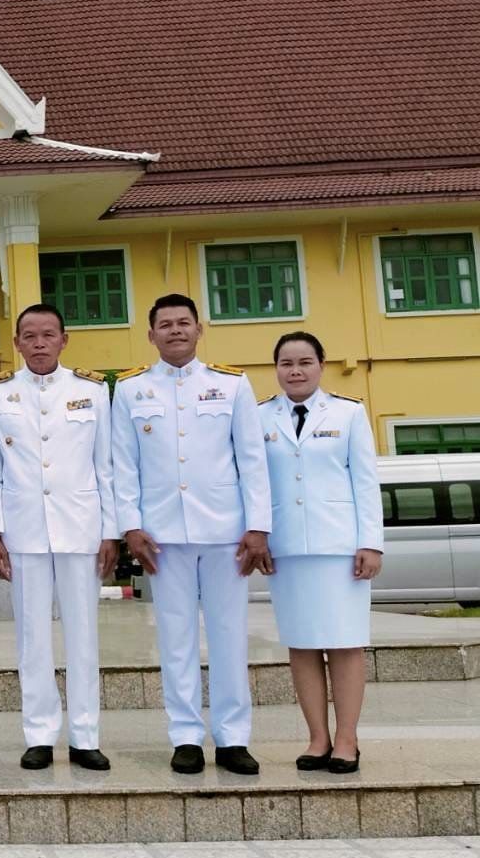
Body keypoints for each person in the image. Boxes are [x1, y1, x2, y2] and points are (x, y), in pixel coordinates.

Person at [112, 293, 271, 775]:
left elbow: (252, 459)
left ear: (199, 330)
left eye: (184, 323)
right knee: (175, 638)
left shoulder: (231, 384)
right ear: (151, 334)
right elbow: (124, 463)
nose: (175, 331)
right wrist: (131, 526)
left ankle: (232, 737)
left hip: (225, 531)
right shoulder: (130, 389)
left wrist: (258, 526)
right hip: (162, 535)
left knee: (229, 637)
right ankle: (184, 736)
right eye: (165, 324)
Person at [0, 304, 115, 773]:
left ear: (64, 339)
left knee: (83, 637)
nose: (39, 343)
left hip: (81, 527)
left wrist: (110, 531)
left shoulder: (92, 391)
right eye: (29, 336)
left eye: (48, 334)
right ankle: (38, 734)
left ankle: (85, 735)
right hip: (24, 530)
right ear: (16, 342)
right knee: (31, 638)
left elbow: (105, 467)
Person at [259, 331, 382, 774]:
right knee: (302, 645)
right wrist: (258, 537)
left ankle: (347, 738)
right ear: (276, 369)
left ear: (321, 365)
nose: (295, 370)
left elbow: (365, 481)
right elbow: (253, 484)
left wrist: (370, 542)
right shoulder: (259, 417)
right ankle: (317, 737)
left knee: (346, 644)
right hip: (286, 549)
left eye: (305, 362)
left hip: (340, 549)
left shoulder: (349, 413)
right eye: (287, 363)